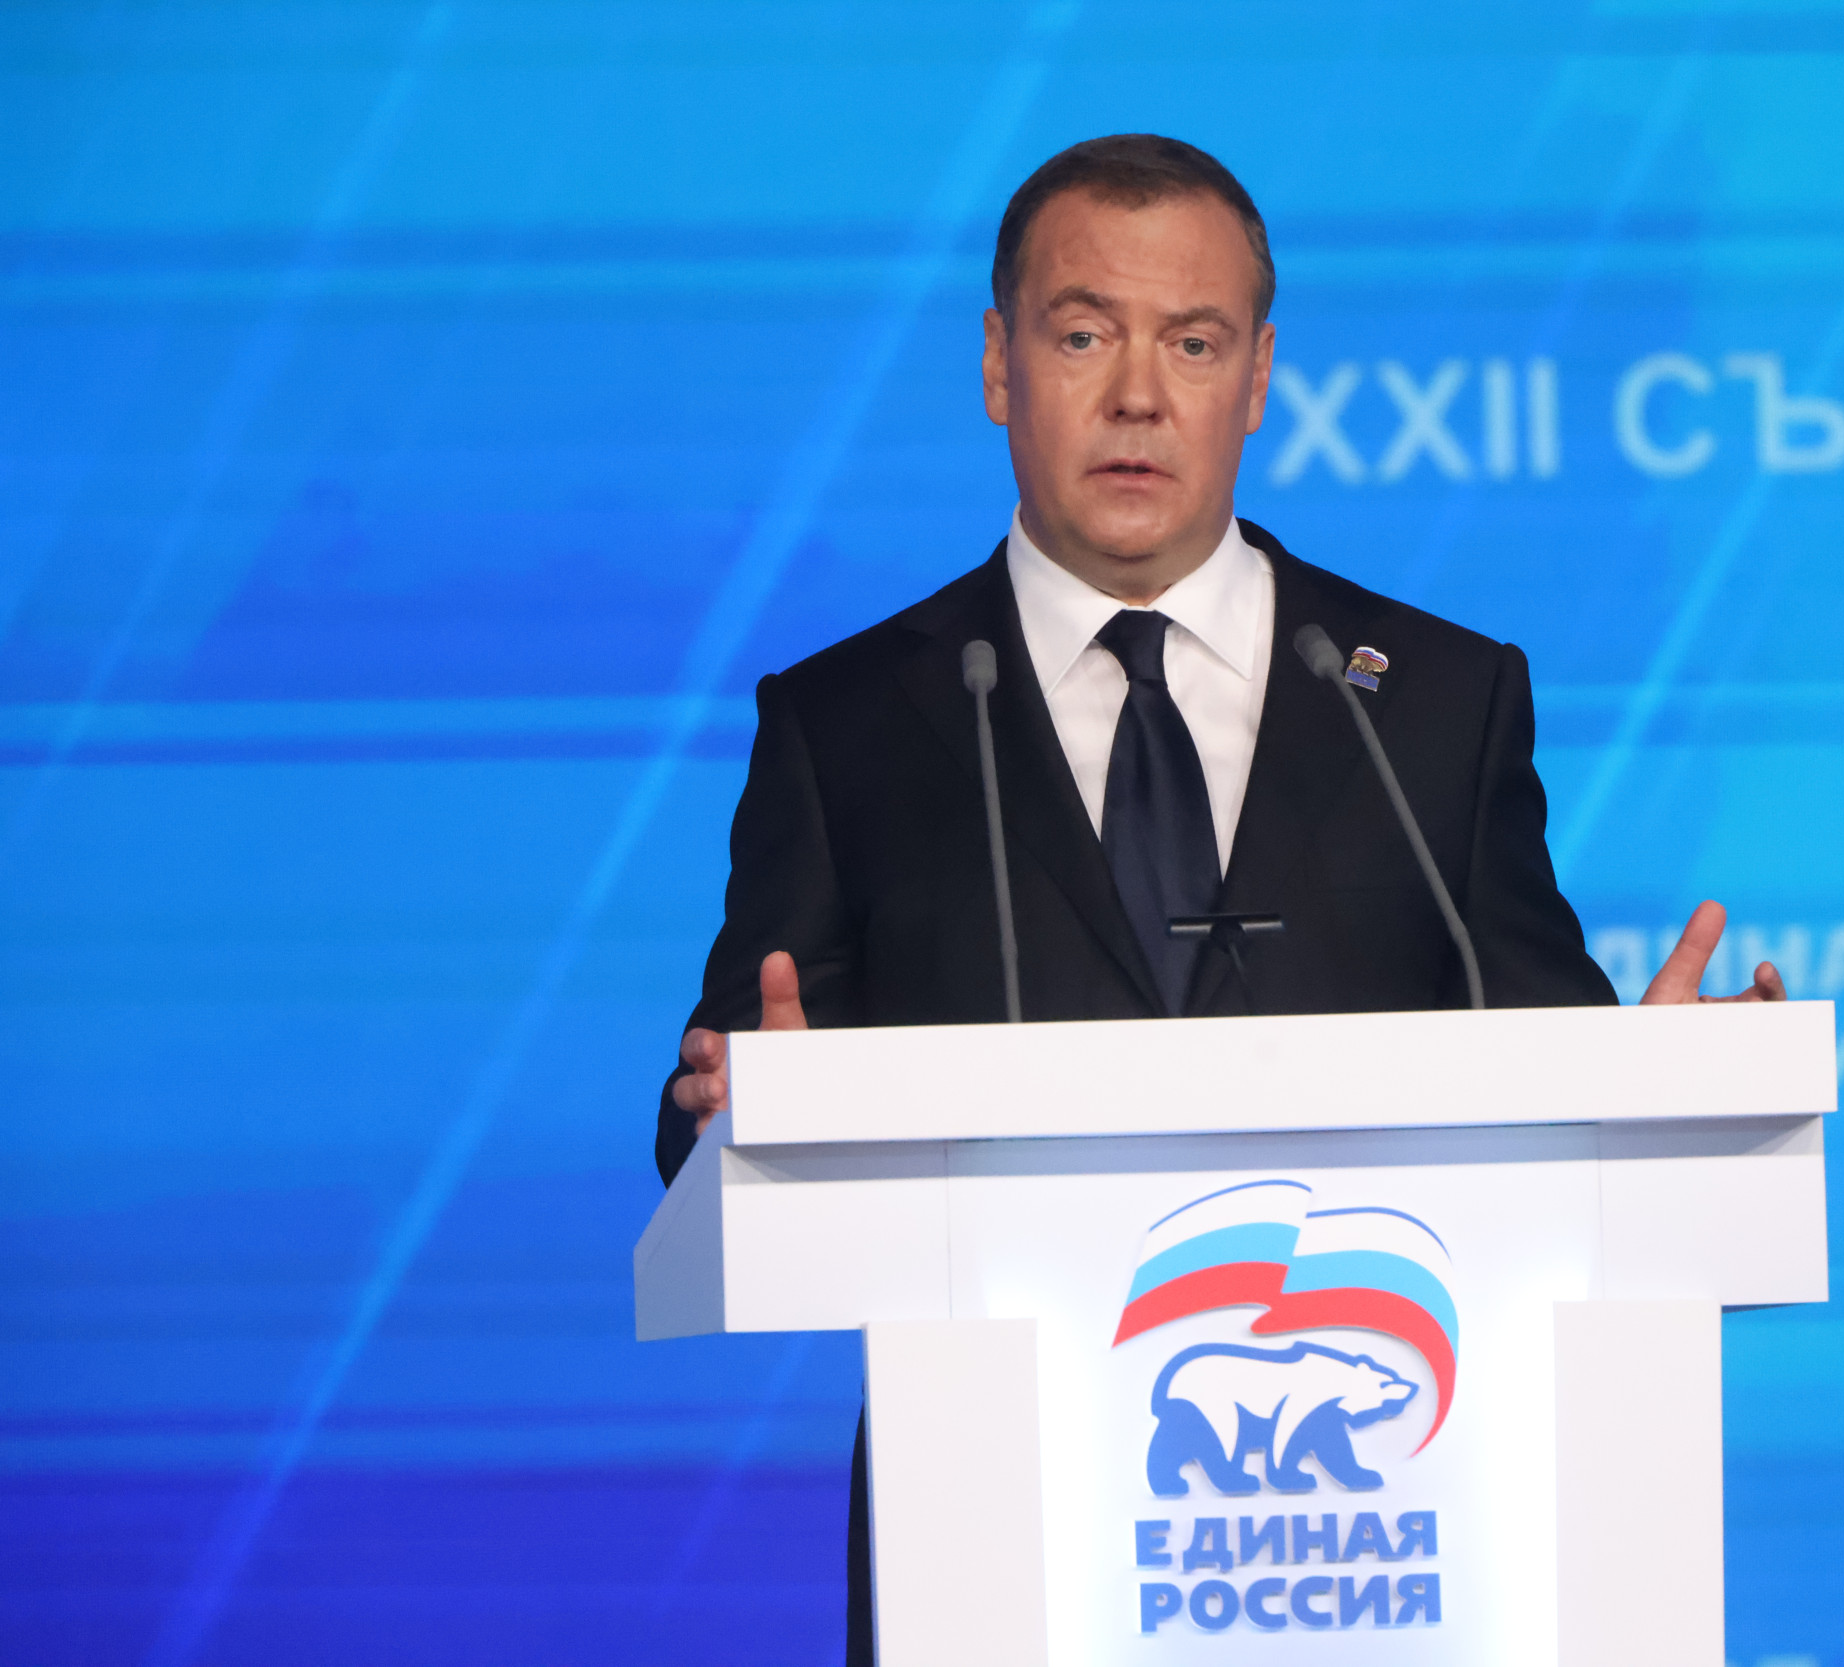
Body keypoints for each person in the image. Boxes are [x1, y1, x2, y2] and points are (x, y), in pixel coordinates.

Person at [652, 133, 1784, 1662]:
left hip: (1388, 1549)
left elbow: (1547, 1083)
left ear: (1257, 378)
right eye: (1082, 335)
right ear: (998, 365)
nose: (1138, 395)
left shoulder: (1434, 703)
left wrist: (1662, 1103)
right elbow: (714, 1113)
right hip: (994, 1550)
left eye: (1192, 343)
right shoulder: (850, 722)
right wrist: (743, 1108)